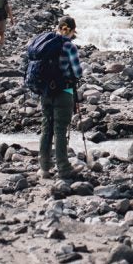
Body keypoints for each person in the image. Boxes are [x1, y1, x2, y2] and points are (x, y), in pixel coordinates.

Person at [36, 15, 83, 180]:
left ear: (58, 27)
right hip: (64, 92)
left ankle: (44, 168)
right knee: (60, 131)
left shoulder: (46, 44)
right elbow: (77, 72)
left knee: (46, 129)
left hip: (46, 92)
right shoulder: (70, 46)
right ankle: (63, 168)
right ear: (72, 30)